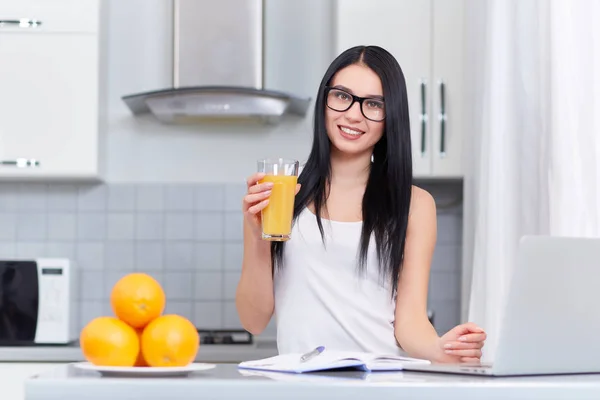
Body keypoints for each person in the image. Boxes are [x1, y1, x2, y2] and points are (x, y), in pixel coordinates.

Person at [235, 45, 486, 364]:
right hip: (300, 387)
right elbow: (253, 320)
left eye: (373, 104)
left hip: (380, 383)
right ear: (324, 100)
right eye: (342, 96)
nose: (353, 114)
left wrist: (441, 349)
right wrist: (256, 237)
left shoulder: (414, 205)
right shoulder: (282, 193)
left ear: (390, 116)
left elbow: (409, 323)